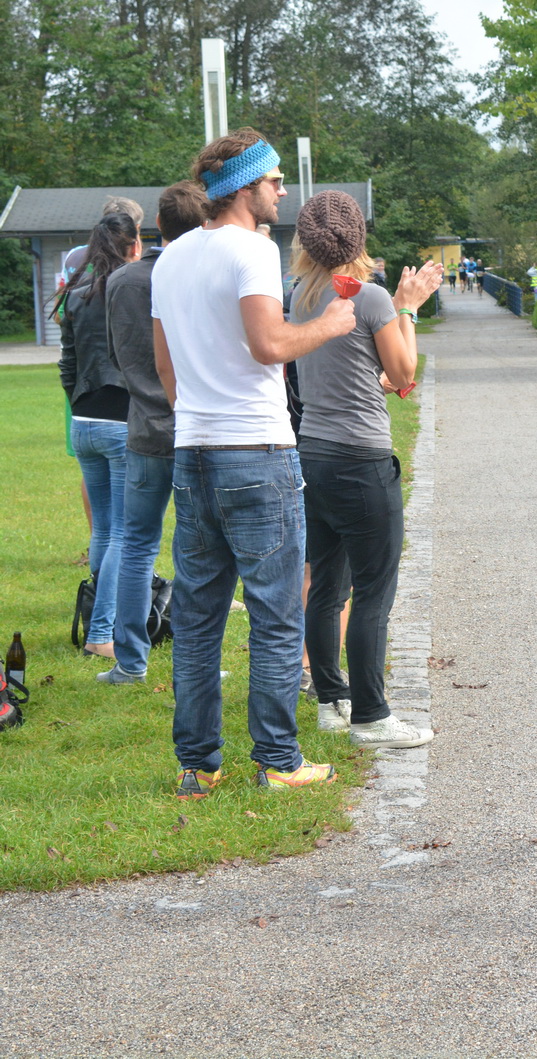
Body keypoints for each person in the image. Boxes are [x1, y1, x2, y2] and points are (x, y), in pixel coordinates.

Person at [152, 128, 358, 798]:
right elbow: (269, 344)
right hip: (257, 453)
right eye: (274, 181)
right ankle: (278, 760)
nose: (283, 192)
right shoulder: (254, 249)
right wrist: (331, 323)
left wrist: (199, 418)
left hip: (193, 451)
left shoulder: (171, 258)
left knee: (197, 619)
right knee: (275, 615)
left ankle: (197, 765)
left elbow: (165, 366)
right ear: (244, 187)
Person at [289, 190, 440, 750]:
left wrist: (393, 306)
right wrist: (408, 308)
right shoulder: (369, 296)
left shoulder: (301, 295)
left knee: (326, 587)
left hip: (314, 454)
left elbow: (350, 366)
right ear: (358, 236)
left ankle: (333, 701)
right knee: (374, 590)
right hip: (361, 460)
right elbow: (402, 373)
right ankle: (372, 716)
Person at [99, 182, 209, 684]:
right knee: (196, 553)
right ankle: (195, 661)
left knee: (137, 545)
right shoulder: (200, 276)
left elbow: (116, 355)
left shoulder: (122, 280)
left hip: (144, 428)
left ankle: (130, 663)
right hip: (194, 430)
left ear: (157, 226)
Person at [59, 212, 141, 660]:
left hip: (84, 420)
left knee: (106, 530)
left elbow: (67, 364)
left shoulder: (76, 293)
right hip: (119, 420)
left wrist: (78, 403)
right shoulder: (130, 290)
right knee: (124, 533)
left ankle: (100, 620)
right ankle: (101, 633)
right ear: (133, 245)